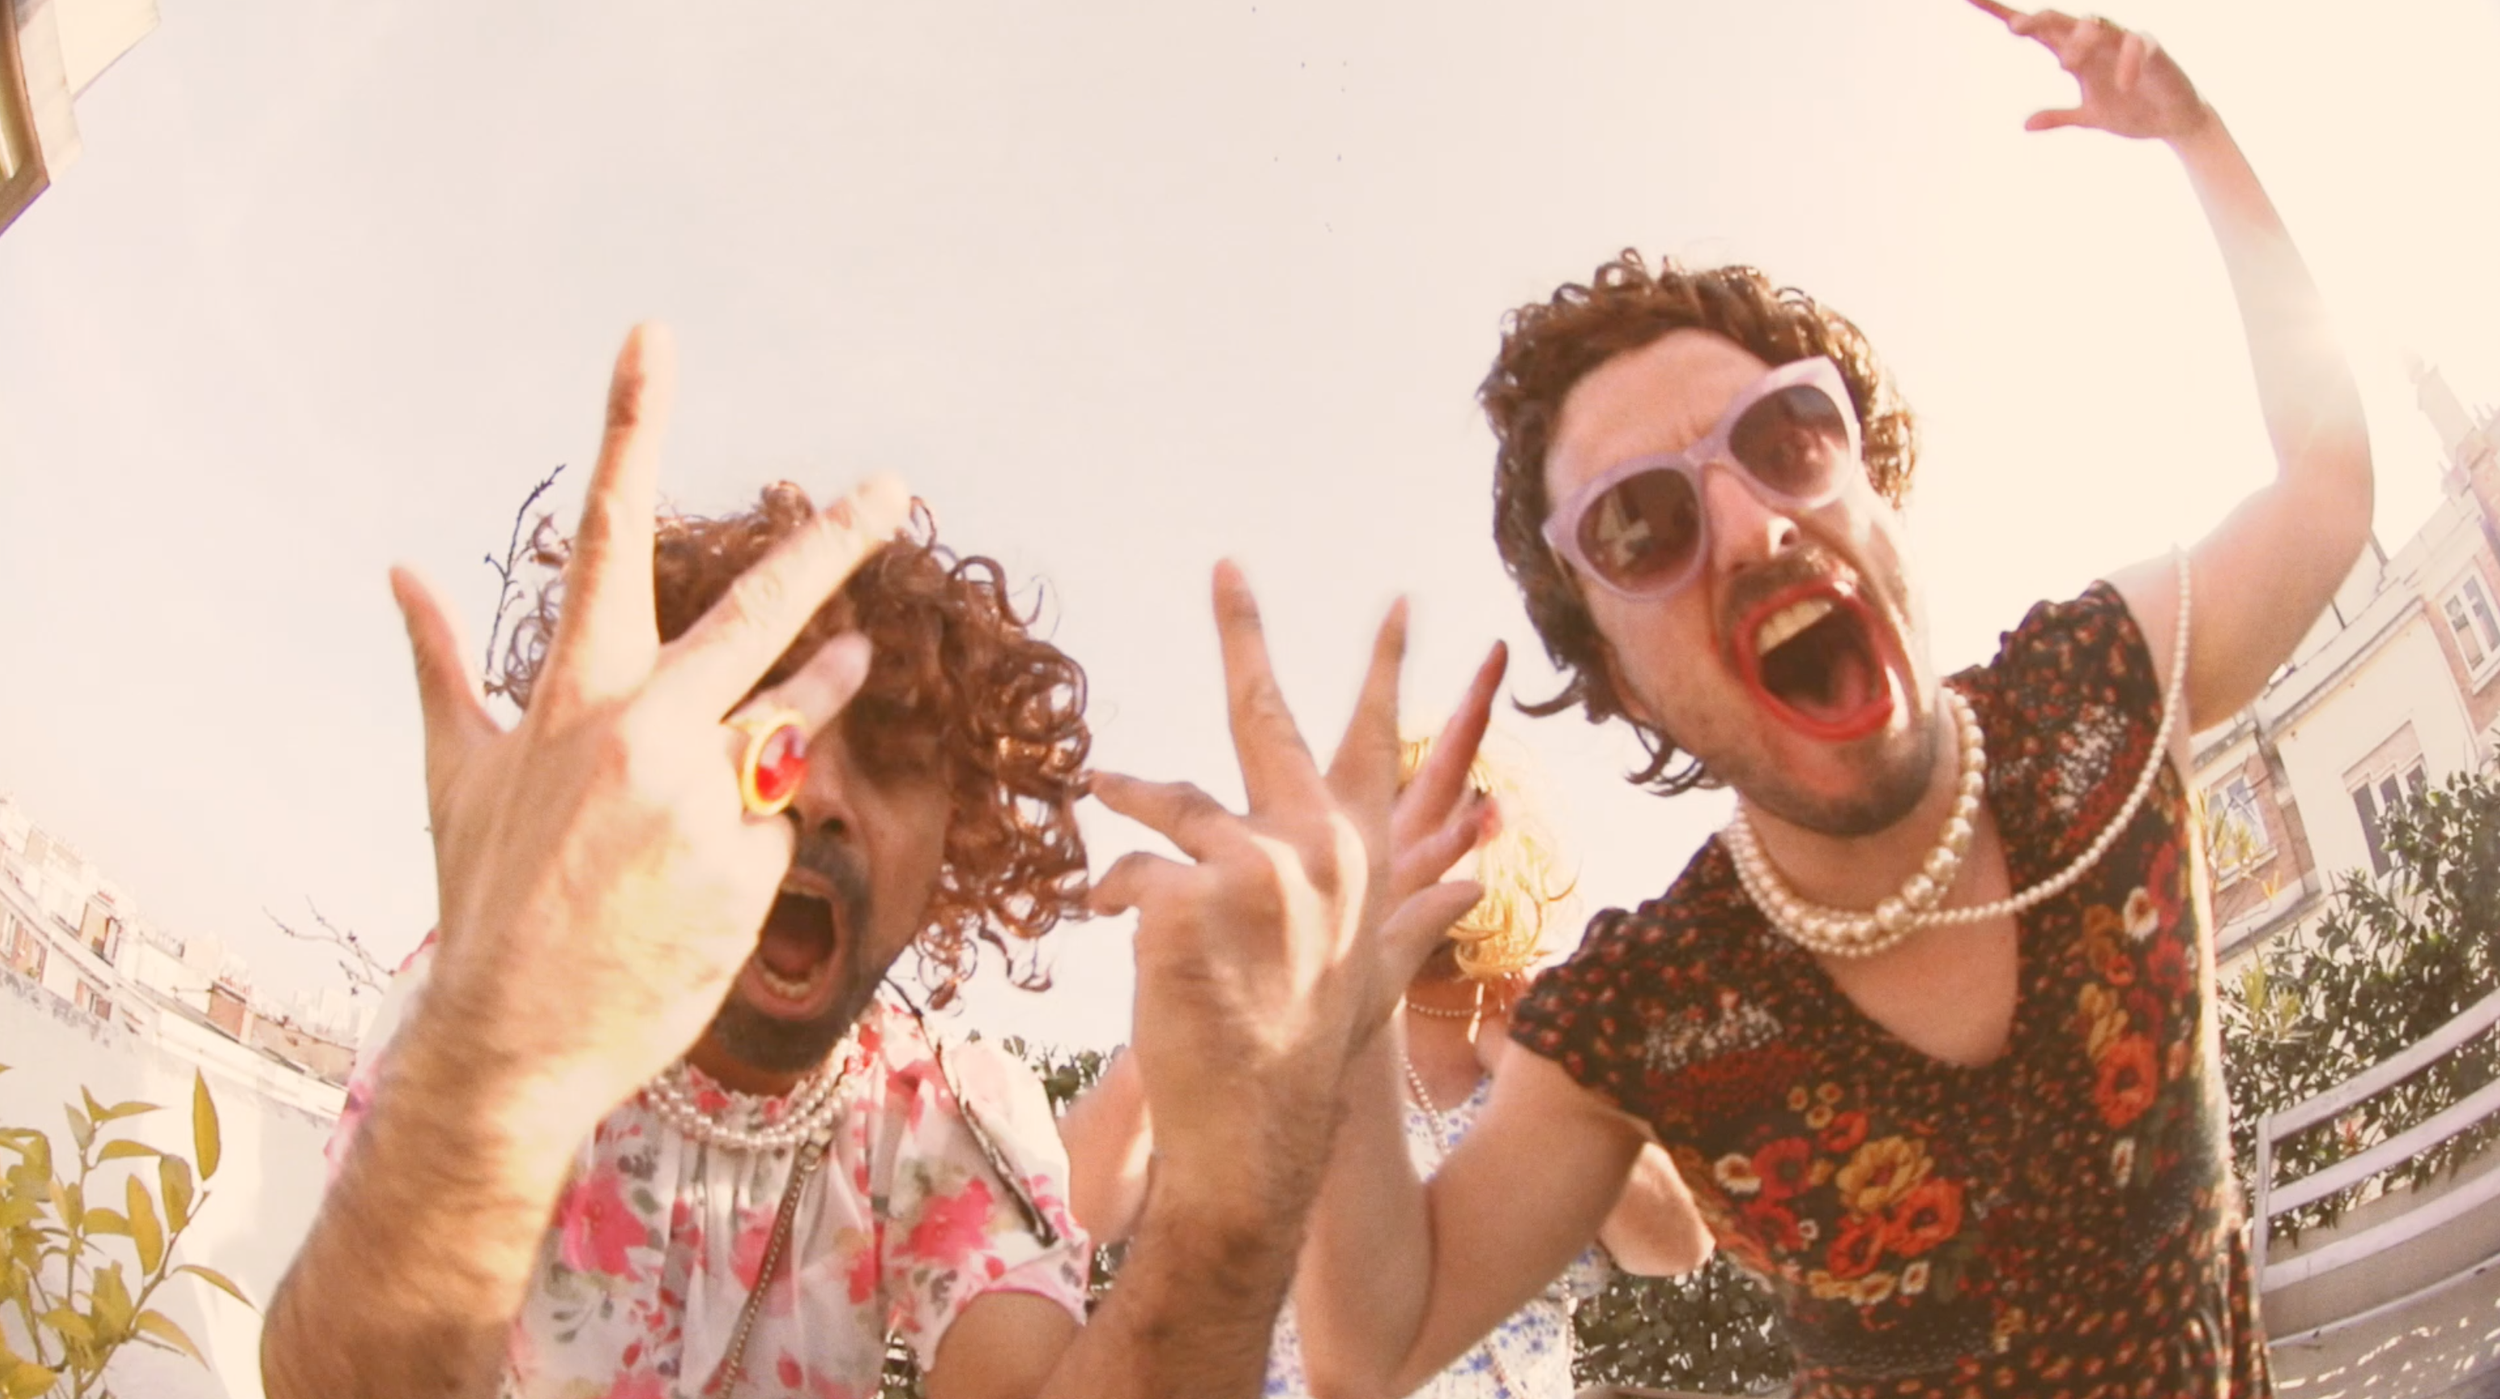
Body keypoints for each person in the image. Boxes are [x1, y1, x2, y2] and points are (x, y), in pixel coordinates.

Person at [1291, 8, 2372, 1397]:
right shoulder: (1650, 1010)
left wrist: (2200, 142)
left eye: (1786, 439)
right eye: (1641, 526)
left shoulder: (2100, 697)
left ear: (1876, 483)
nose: (1748, 527)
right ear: (1619, 676)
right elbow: (1368, 1349)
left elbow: (2329, 481)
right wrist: (1351, 1004)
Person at [259, 325, 1499, 1399]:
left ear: (955, 851)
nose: (822, 794)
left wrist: (1240, 1185)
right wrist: (503, 1045)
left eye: (896, 750)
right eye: (765, 711)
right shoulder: (488, 1002)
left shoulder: (940, 1123)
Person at [1057, 734, 1712, 1399]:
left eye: (1455, 821)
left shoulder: (1545, 1058)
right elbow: (1080, 1213)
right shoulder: (1274, 1045)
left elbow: (1673, 1246)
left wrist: (1548, 1064)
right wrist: (1178, 1017)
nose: (1416, 850)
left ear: (1508, 855)